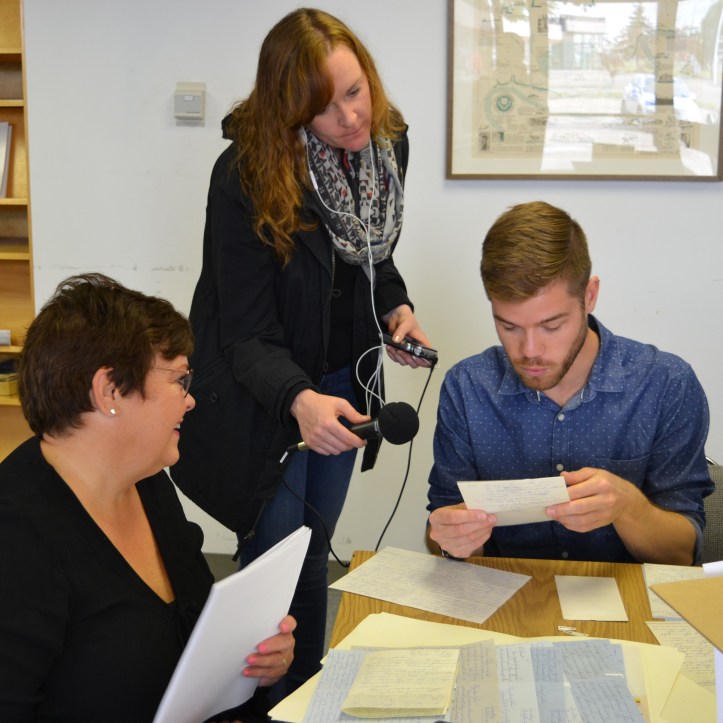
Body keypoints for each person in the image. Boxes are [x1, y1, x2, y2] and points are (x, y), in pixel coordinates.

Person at [170, 7, 431, 698]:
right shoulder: (245, 174)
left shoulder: (387, 144)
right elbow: (244, 331)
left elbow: (371, 256)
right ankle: (259, 705)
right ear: (290, 108)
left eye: (355, 91)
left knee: (314, 550)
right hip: (262, 390)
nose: (351, 117)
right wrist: (298, 399)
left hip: (340, 380)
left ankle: (306, 695)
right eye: (325, 106)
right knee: (273, 561)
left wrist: (393, 309)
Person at [0, 273, 295, 722]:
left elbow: (195, 630)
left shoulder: (146, 481)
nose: (190, 400)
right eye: (179, 380)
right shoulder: (17, 539)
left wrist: (254, 662)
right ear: (110, 390)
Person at [427, 201, 713, 566]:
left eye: (551, 326)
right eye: (509, 326)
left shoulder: (666, 384)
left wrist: (628, 507)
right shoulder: (467, 387)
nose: (530, 350)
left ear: (589, 296)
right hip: (504, 592)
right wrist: (450, 539)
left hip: (626, 595)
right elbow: (442, 532)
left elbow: (683, 555)